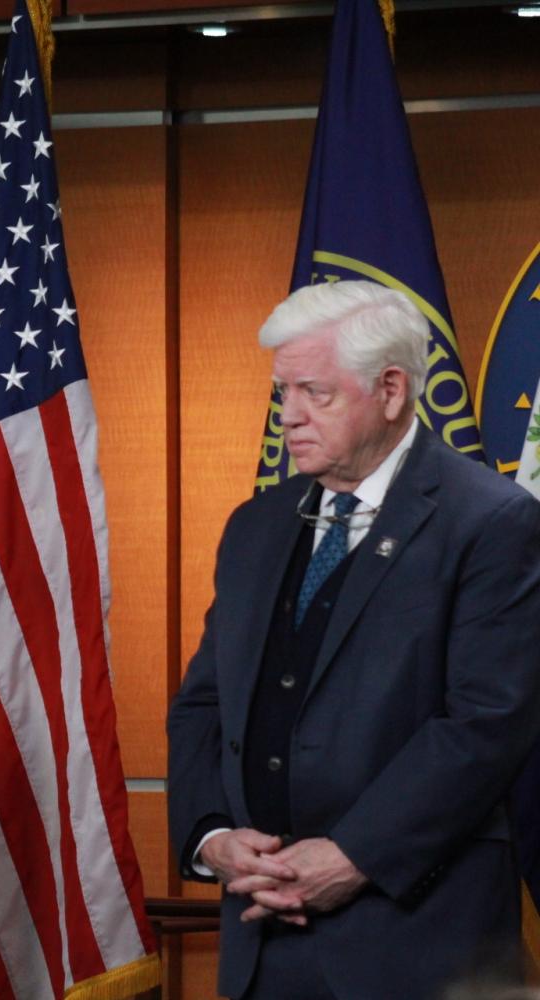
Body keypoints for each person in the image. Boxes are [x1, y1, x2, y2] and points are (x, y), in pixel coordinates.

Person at [167, 280, 540, 1000]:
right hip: (261, 935)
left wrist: (351, 857)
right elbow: (204, 705)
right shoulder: (256, 525)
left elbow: (486, 723)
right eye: (283, 393)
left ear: (392, 389)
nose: (289, 417)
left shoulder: (492, 522)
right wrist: (212, 836)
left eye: (314, 392)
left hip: (418, 941)